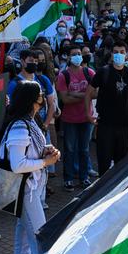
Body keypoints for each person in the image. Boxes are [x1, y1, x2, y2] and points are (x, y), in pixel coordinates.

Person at [0, 81, 60, 254]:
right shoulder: (20, 127)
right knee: (41, 244)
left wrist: (45, 151)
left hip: (31, 190)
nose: (44, 98)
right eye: (41, 96)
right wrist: (45, 163)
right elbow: (17, 164)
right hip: (26, 192)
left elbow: (27, 154)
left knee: (24, 240)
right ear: (32, 100)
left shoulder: (27, 123)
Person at [88, 42, 128, 175]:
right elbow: (89, 93)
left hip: (123, 124)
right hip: (105, 123)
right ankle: (102, 192)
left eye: (122, 51)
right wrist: (88, 113)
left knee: (121, 163)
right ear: (111, 54)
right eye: (116, 51)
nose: (119, 54)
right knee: (104, 163)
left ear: (127, 54)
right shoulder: (103, 72)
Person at [55, 44, 95, 190]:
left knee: (84, 149)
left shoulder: (89, 72)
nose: (78, 56)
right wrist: (86, 96)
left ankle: (84, 177)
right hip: (70, 119)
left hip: (87, 118)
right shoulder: (63, 75)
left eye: (79, 53)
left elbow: (96, 93)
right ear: (68, 57)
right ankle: (68, 179)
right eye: (74, 54)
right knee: (70, 150)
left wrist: (75, 94)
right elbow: (65, 99)